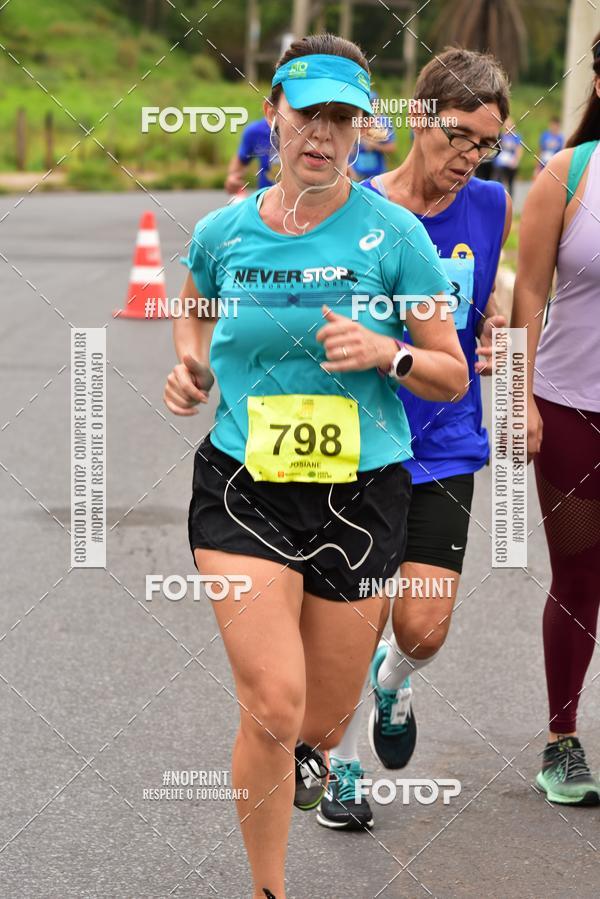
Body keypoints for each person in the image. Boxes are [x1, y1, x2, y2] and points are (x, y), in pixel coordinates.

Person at [163, 33, 468, 898]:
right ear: (275, 116)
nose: (322, 133)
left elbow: (450, 373)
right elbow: (192, 308)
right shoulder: (224, 231)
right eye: (308, 114)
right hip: (242, 485)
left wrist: (386, 352)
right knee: (271, 699)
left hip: (363, 494)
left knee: (323, 723)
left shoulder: (394, 235)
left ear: (364, 130)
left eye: (342, 118)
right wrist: (188, 362)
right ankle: (269, 888)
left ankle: (313, 750)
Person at [316, 47, 512, 831]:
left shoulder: (492, 207)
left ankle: (393, 683)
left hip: (444, 436)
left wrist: (492, 334)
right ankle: (343, 770)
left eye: (486, 144)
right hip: (358, 438)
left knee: (422, 627)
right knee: (351, 614)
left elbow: (479, 312)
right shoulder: (352, 207)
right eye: (458, 135)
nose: (468, 157)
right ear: (418, 118)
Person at [511, 35, 600, 806]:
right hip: (573, 410)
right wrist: (519, 399)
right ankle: (562, 739)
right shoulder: (567, 175)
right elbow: (527, 296)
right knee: (580, 574)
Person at [348, 91, 396, 181]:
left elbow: (392, 147)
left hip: (377, 175)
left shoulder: (384, 122)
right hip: (356, 174)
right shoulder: (352, 120)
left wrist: (375, 146)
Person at [225, 117, 279, 195]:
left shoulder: (300, 131)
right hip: (266, 199)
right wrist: (233, 178)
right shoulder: (255, 131)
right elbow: (241, 160)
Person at [492, 116, 523, 196]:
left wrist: (516, 160)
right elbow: (496, 148)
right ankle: (499, 196)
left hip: (511, 161)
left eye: (510, 126)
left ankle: (510, 199)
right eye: (507, 126)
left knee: (510, 183)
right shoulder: (501, 136)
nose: (508, 128)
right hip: (501, 162)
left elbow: (519, 150)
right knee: (499, 179)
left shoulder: (516, 137)